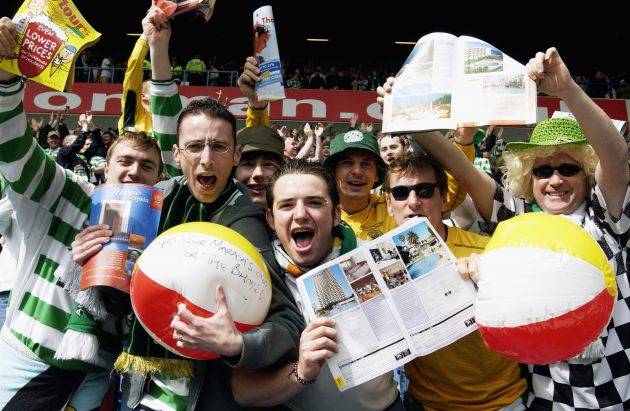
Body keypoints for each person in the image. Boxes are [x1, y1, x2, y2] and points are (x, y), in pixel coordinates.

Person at [70, 7, 303, 410]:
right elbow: (109, 303)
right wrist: (87, 264)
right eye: (195, 147)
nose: (206, 160)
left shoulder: (247, 218)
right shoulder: (148, 200)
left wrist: (237, 344)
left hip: (209, 397)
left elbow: (288, 324)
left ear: (236, 155)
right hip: (141, 393)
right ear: (176, 154)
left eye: (218, 147)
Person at [379, 47, 630, 409]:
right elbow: (462, 169)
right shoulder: (518, 224)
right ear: (529, 176)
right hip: (540, 400)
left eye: (568, 168)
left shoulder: (605, 218)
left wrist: (569, 91)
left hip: (611, 399)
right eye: (543, 170)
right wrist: (407, 114)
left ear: (587, 174)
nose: (555, 180)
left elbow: (615, 156)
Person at [0, 15, 165, 410]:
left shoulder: (160, 221)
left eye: (147, 166)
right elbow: (15, 151)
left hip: (97, 374)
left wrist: (158, 53)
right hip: (29, 360)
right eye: (124, 161)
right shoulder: (69, 193)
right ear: (105, 168)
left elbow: (180, 143)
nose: (133, 171)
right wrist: (7, 83)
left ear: (161, 177)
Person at [231, 159, 402, 411]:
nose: (300, 214)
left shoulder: (378, 259)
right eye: (287, 205)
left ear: (336, 214)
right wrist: (301, 371)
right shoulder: (256, 281)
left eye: (314, 202)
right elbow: (243, 392)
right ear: (270, 218)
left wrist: (474, 269)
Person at [383, 153, 527, 410]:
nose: (413, 202)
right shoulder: (378, 263)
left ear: (443, 198)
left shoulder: (487, 250)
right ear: (388, 202)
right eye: (401, 193)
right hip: (426, 404)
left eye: (425, 191)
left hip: (501, 402)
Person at [323, 129, 472, 242]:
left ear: (377, 175)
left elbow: (452, 187)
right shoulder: (318, 216)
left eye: (366, 164)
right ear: (332, 172)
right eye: (347, 163)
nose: (357, 171)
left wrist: (463, 142)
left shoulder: (397, 205)